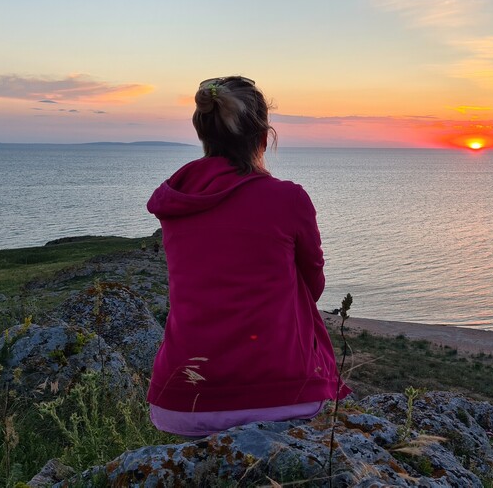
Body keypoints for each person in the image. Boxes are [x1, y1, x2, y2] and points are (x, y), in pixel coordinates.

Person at [146, 76, 350, 437]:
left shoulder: (176, 202)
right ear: (263, 136)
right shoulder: (288, 199)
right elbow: (313, 284)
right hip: (284, 394)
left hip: (183, 400)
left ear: (203, 134)